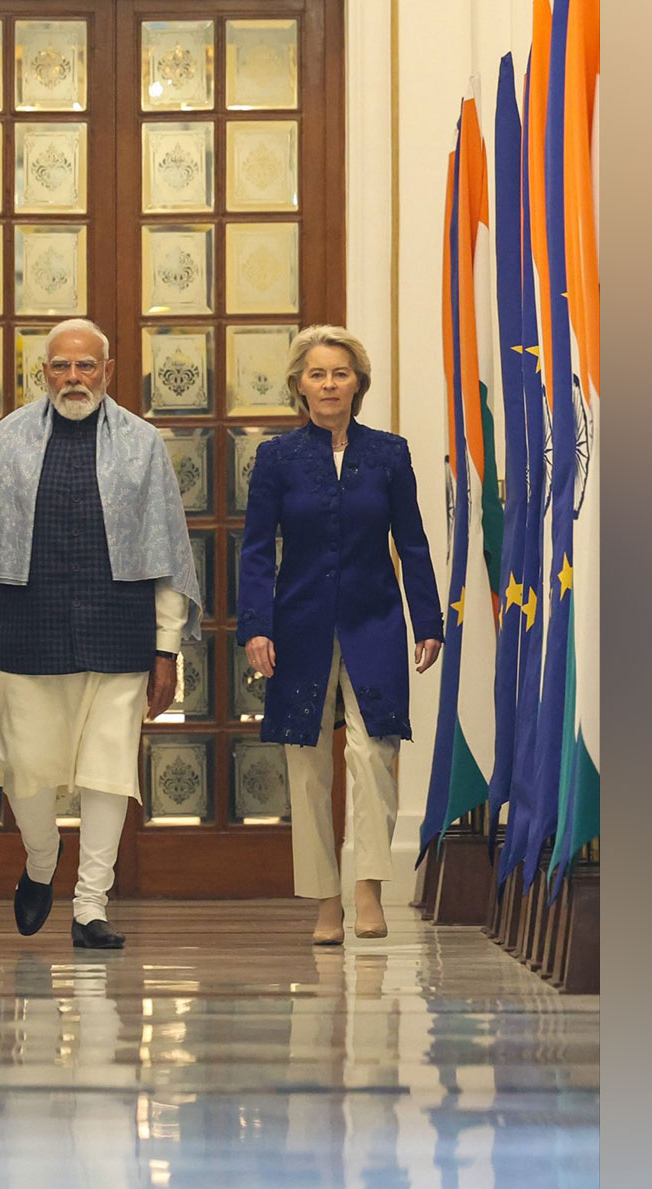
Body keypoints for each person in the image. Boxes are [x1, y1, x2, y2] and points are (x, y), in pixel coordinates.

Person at [0, 318, 202, 950]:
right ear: (43, 373)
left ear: (108, 372)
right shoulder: (10, 438)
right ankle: (41, 862)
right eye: (61, 366)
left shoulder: (142, 444)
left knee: (109, 771)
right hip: (27, 630)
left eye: (86, 367)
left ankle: (90, 906)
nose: (73, 378)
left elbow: (166, 552)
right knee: (26, 771)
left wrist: (166, 649)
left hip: (119, 631)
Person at [237, 325, 443, 944]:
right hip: (297, 625)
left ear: (359, 383)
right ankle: (327, 902)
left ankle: (369, 891)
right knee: (306, 767)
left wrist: (428, 620)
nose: (329, 384)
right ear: (299, 385)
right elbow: (254, 551)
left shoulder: (390, 454)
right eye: (318, 374)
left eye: (341, 373)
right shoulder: (276, 458)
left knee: (375, 756)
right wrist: (256, 627)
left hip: (374, 618)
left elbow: (411, 541)